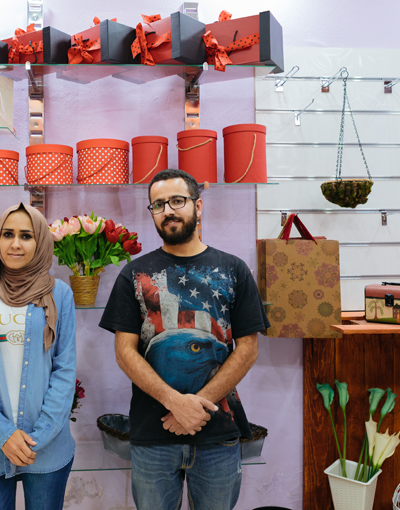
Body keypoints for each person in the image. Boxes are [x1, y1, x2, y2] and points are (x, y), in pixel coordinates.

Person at [99, 169, 270, 510]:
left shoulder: (234, 270)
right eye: (158, 205)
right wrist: (175, 403)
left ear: (198, 206)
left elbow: (247, 350)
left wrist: (196, 406)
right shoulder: (133, 274)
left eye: (177, 201)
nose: (168, 210)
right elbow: (124, 352)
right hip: (152, 435)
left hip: (218, 435)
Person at [0, 203, 76, 510]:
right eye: (8, 234)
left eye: (27, 235)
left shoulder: (59, 294)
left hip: (45, 448)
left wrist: (41, 435)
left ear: (40, 243)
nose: (16, 243)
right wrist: (4, 434)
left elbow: (65, 368)